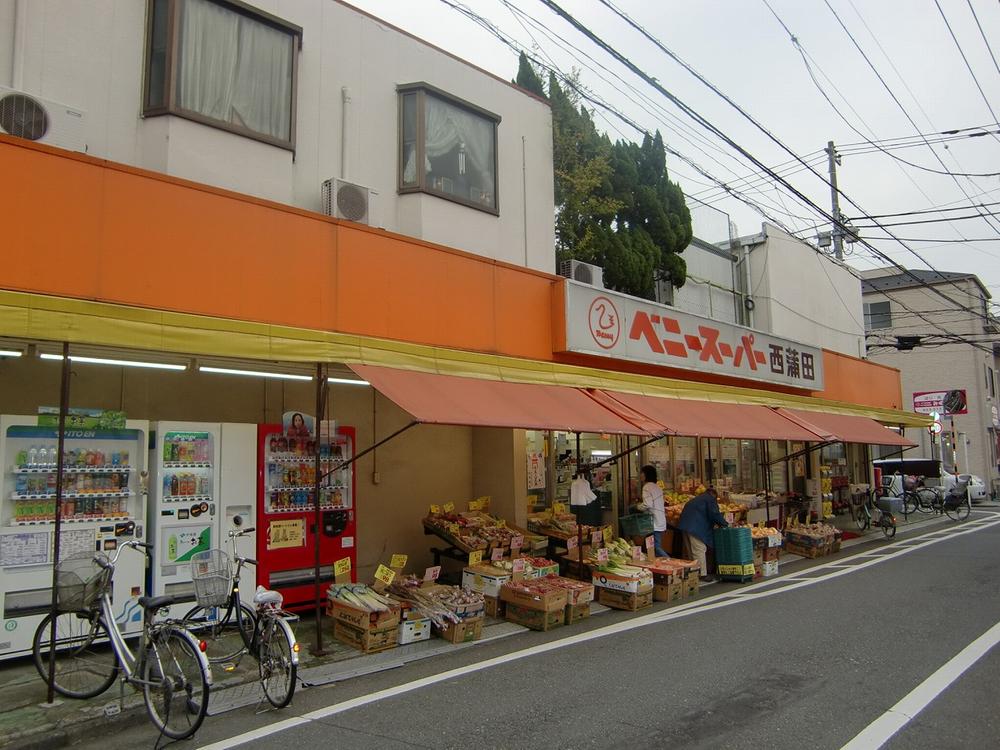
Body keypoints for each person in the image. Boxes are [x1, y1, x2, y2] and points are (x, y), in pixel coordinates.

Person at [678, 487, 729, 582]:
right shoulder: (710, 499)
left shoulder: (699, 498)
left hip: (685, 524)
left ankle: (694, 571)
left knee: (691, 551)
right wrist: (725, 524)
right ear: (714, 495)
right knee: (700, 549)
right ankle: (702, 574)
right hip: (694, 526)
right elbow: (715, 514)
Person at [639, 465, 670, 558]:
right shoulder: (657, 487)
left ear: (646, 475)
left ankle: (670, 561)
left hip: (653, 522)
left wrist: (637, 507)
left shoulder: (647, 487)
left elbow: (647, 504)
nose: (640, 475)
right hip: (659, 520)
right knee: (648, 546)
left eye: (642, 473)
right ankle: (650, 562)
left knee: (656, 547)